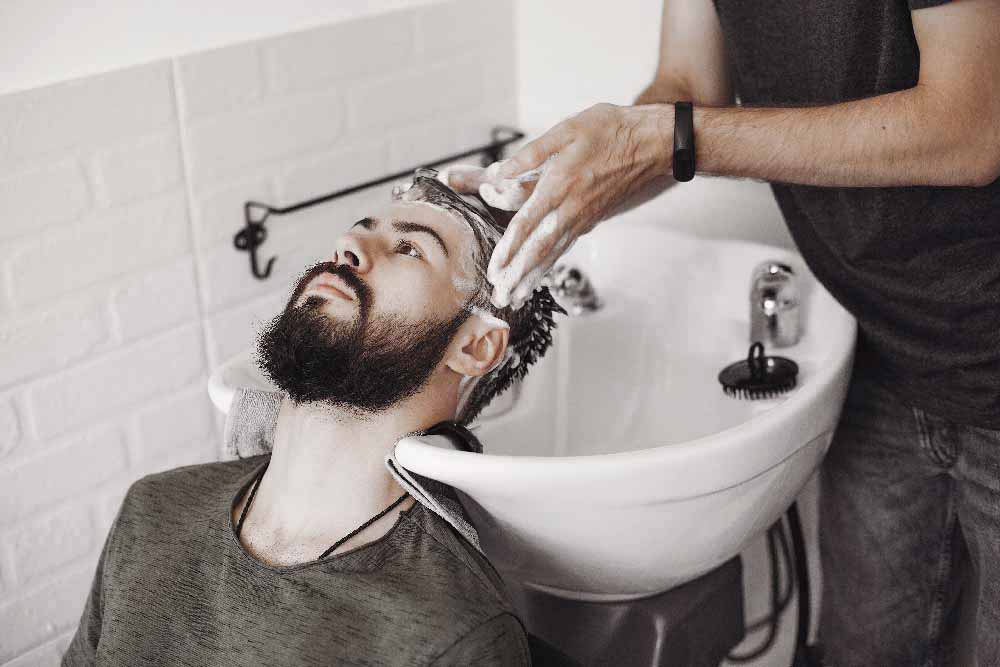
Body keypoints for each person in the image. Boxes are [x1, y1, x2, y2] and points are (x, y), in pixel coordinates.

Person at [444, 1, 1000, 664]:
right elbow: (687, 87)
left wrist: (666, 140)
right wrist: (565, 188)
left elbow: (970, 128)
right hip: (882, 345)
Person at [61, 169, 566, 666]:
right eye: (359, 231)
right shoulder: (153, 509)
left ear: (475, 346)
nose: (347, 245)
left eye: (410, 249)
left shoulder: (450, 630)